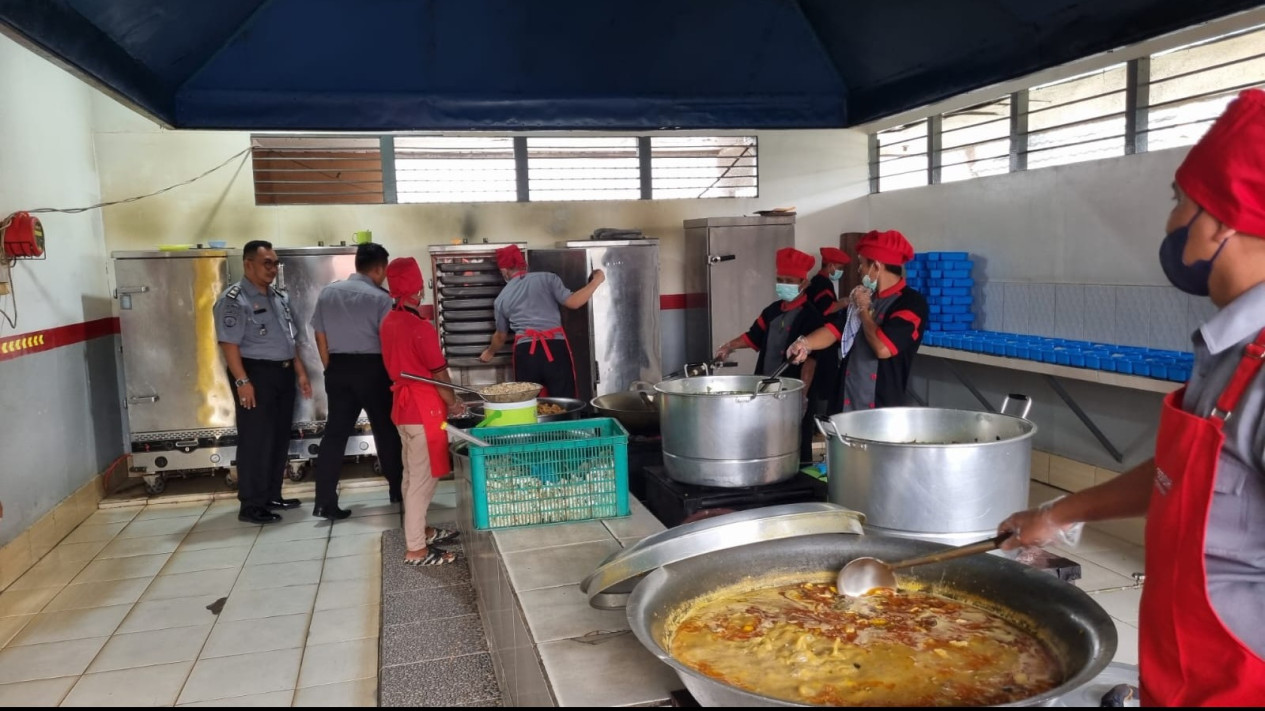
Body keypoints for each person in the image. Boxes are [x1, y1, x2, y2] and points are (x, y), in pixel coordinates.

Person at [997, 89, 1265, 706]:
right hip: (1186, 668)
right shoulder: (1232, 350)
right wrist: (1059, 515)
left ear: (1222, 219)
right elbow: (1186, 475)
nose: (1171, 223)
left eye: (1179, 202)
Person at [214, 240, 312, 524]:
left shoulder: (278, 298)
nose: (272, 268)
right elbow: (228, 344)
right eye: (266, 263)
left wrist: (301, 371)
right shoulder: (233, 300)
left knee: (279, 437)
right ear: (248, 264)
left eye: (274, 263)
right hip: (256, 375)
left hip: (283, 373)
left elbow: (289, 339)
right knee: (256, 439)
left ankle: (271, 494)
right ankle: (252, 504)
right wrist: (242, 381)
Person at [380, 257, 467, 566]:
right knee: (423, 479)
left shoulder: (388, 321)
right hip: (423, 409)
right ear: (418, 289)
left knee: (410, 475)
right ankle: (416, 547)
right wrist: (454, 403)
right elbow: (440, 374)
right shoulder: (420, 328)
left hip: (402, 409)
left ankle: (423, 530)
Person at [308, 242, 404, 520]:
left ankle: (324, 501)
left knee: (334, 436)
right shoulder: (382, 299)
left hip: (338, 368)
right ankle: (397, 490)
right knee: (386, 431)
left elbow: (319, 335)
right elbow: (388, 341)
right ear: (379, 268)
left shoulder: (328, 292)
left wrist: (330, 368)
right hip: (373, 369)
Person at [788, 230, 928, 414]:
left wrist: (864, 311)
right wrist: (804, 343)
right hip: (845, 399)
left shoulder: (911, 303)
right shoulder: (866, 297)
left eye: (862, 263)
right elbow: (834, 330)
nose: (859, 269)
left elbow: (883, 348)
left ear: (876, 266)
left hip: (881, 408)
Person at [716, 248, 824, 460]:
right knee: (764, 439)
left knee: (793, 443)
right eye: (779, 279)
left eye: (789, 280)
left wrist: (802, 395)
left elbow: (811, 361)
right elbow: (752, 337)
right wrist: (728, 346)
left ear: (803, 283)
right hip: (764, 388)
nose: (783, 284)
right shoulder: (772, 311)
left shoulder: (811, 316)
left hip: (792, 392)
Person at [478, 244, 605, 399]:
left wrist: (490, 352)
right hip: (554, 349)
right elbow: (574, 302)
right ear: (523, 264)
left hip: (525, 354)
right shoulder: (547, 278)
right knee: (564, 401)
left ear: (504, 270)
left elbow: (500, 336)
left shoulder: (501, 298)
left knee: (528, 403)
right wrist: (597, 280)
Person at [799, 247, 851, 461]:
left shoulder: (817, 283)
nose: (840, 272)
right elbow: (827, 310)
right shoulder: (823, 284)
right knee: (818, 390)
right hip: (821, 343)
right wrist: (847, 301)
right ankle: (820, 430)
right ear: (830, 266)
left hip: (816, 343)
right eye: (839, 268)